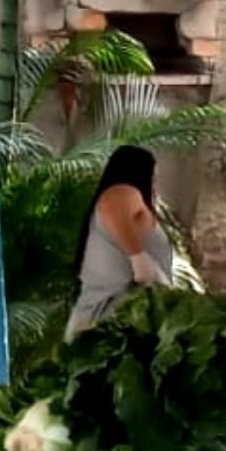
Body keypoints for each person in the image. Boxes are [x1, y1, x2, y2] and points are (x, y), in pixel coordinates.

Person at [65, 145, 175, 342]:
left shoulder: (132, 199)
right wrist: (138, 258)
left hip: (126, 318)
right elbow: (114, 209)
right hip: (110, 320)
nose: (155, 182)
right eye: (153, 175)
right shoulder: (122, 192)